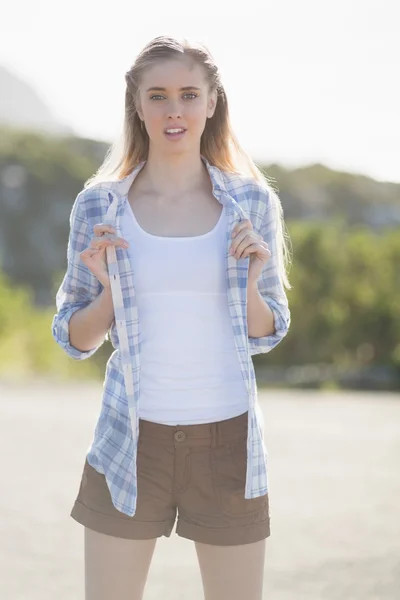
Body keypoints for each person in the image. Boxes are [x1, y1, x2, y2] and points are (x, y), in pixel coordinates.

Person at [52, 35, 291, 600]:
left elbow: (268, 330)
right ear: (137, 105)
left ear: (212, 102)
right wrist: (108, 293)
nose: (174, 110)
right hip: (129, 438)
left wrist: (255, 274)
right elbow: (73, 338)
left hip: (229, 441)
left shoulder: (253, 203)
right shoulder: (98, 205)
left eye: (189, 94)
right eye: (158, 96)